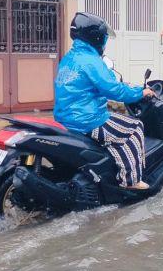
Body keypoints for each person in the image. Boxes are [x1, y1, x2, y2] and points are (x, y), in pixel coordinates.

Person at [54, 12, 155, 190]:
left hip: (65, 118)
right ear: (96, 37)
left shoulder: (69, 58)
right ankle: (131, 181)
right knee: (135, 127)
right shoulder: (92, 61)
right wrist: (141, 91)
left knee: (116, 126)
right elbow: (114, 90)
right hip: (88, 120)